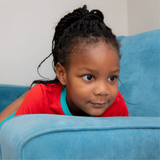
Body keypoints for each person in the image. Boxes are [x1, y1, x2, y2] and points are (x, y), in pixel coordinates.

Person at [0, 5, 128, 125]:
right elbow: (13, 140)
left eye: (112, 78)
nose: (103, 91)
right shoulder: (41, 98)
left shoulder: (117, 105)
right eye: (89, 77)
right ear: (62, 74)